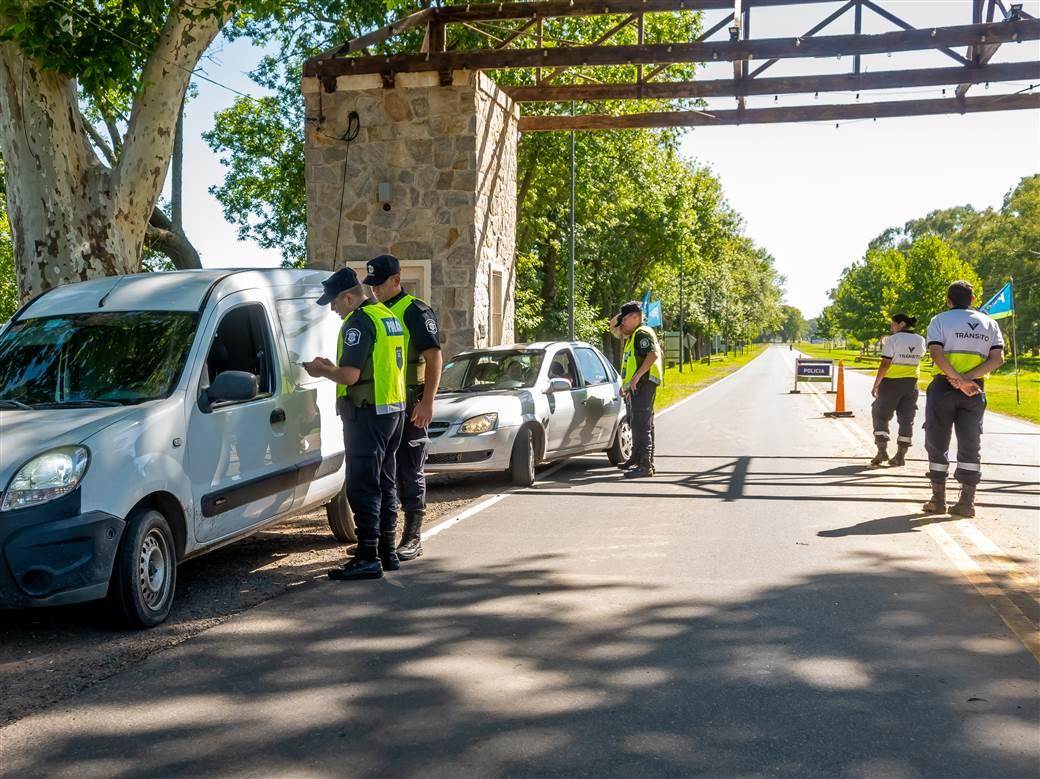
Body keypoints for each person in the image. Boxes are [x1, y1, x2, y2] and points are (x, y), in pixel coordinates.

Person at [303, 267, 407, 580]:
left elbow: (351, 375)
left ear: (349, 297)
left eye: (334, 303)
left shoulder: (358, 323)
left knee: (363, 485)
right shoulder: (385, 315)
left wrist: (322, 370)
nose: (332, 309)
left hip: (367, 412)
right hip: (393, 410)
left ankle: (367, 557)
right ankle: (387, 551)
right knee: (386, 482)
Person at [364, 254, 443, 562]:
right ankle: (385, 537)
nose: (374, 291)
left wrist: (428, 402)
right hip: (384, 401)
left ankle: (412, 536)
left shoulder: (415, 311)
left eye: (379, 284)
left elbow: (434, 356)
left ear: (396, 281)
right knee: (383, 470)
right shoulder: (372, 312)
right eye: (370, 285)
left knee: (409, 467)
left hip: (412, 401)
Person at [922, 280, 1005, 517]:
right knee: (970, 443)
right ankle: (966, 503)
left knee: (937, 441)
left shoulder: (939, 320)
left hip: (943, 388)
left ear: (949, 299)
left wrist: (956, 379)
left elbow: (936, 354)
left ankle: (938, 501)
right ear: (974, 299)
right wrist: (967, 380)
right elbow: (997, 359)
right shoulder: (990, 323)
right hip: (974, 390)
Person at [609, 301, 663, 479]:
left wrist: (637, 377)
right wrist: (627, 384)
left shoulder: (641, 333)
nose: (622, 323)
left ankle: (645, 465)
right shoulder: (634, 335)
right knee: (638, 423)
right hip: (637, 385)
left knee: (641, 424)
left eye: (624, 319)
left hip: (644, 384)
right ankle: (637, 458)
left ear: (635, 317)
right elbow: (629, 363)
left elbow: (652, 355)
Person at [869, 314, 926, 467]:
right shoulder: (920, 340)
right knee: (906, 419)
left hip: (891, 383)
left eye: (892, 324)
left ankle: (882, 451)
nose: (891, 327)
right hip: (911, 384)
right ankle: (900, 456)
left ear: (901, 324)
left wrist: (876, 384)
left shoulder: (892, 340)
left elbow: (885, 364)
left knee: (879, 413)